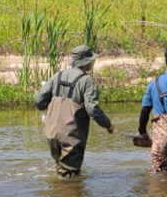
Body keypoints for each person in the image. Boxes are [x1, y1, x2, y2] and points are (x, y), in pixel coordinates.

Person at [34, 45, 115, 177]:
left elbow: (38, 100)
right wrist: (107, 124)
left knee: (59, 168)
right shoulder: (87, 82)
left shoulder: (57, 76)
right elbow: (92, 110)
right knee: (69, 176)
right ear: (86, 62)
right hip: (71, 135)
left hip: (51, 132)